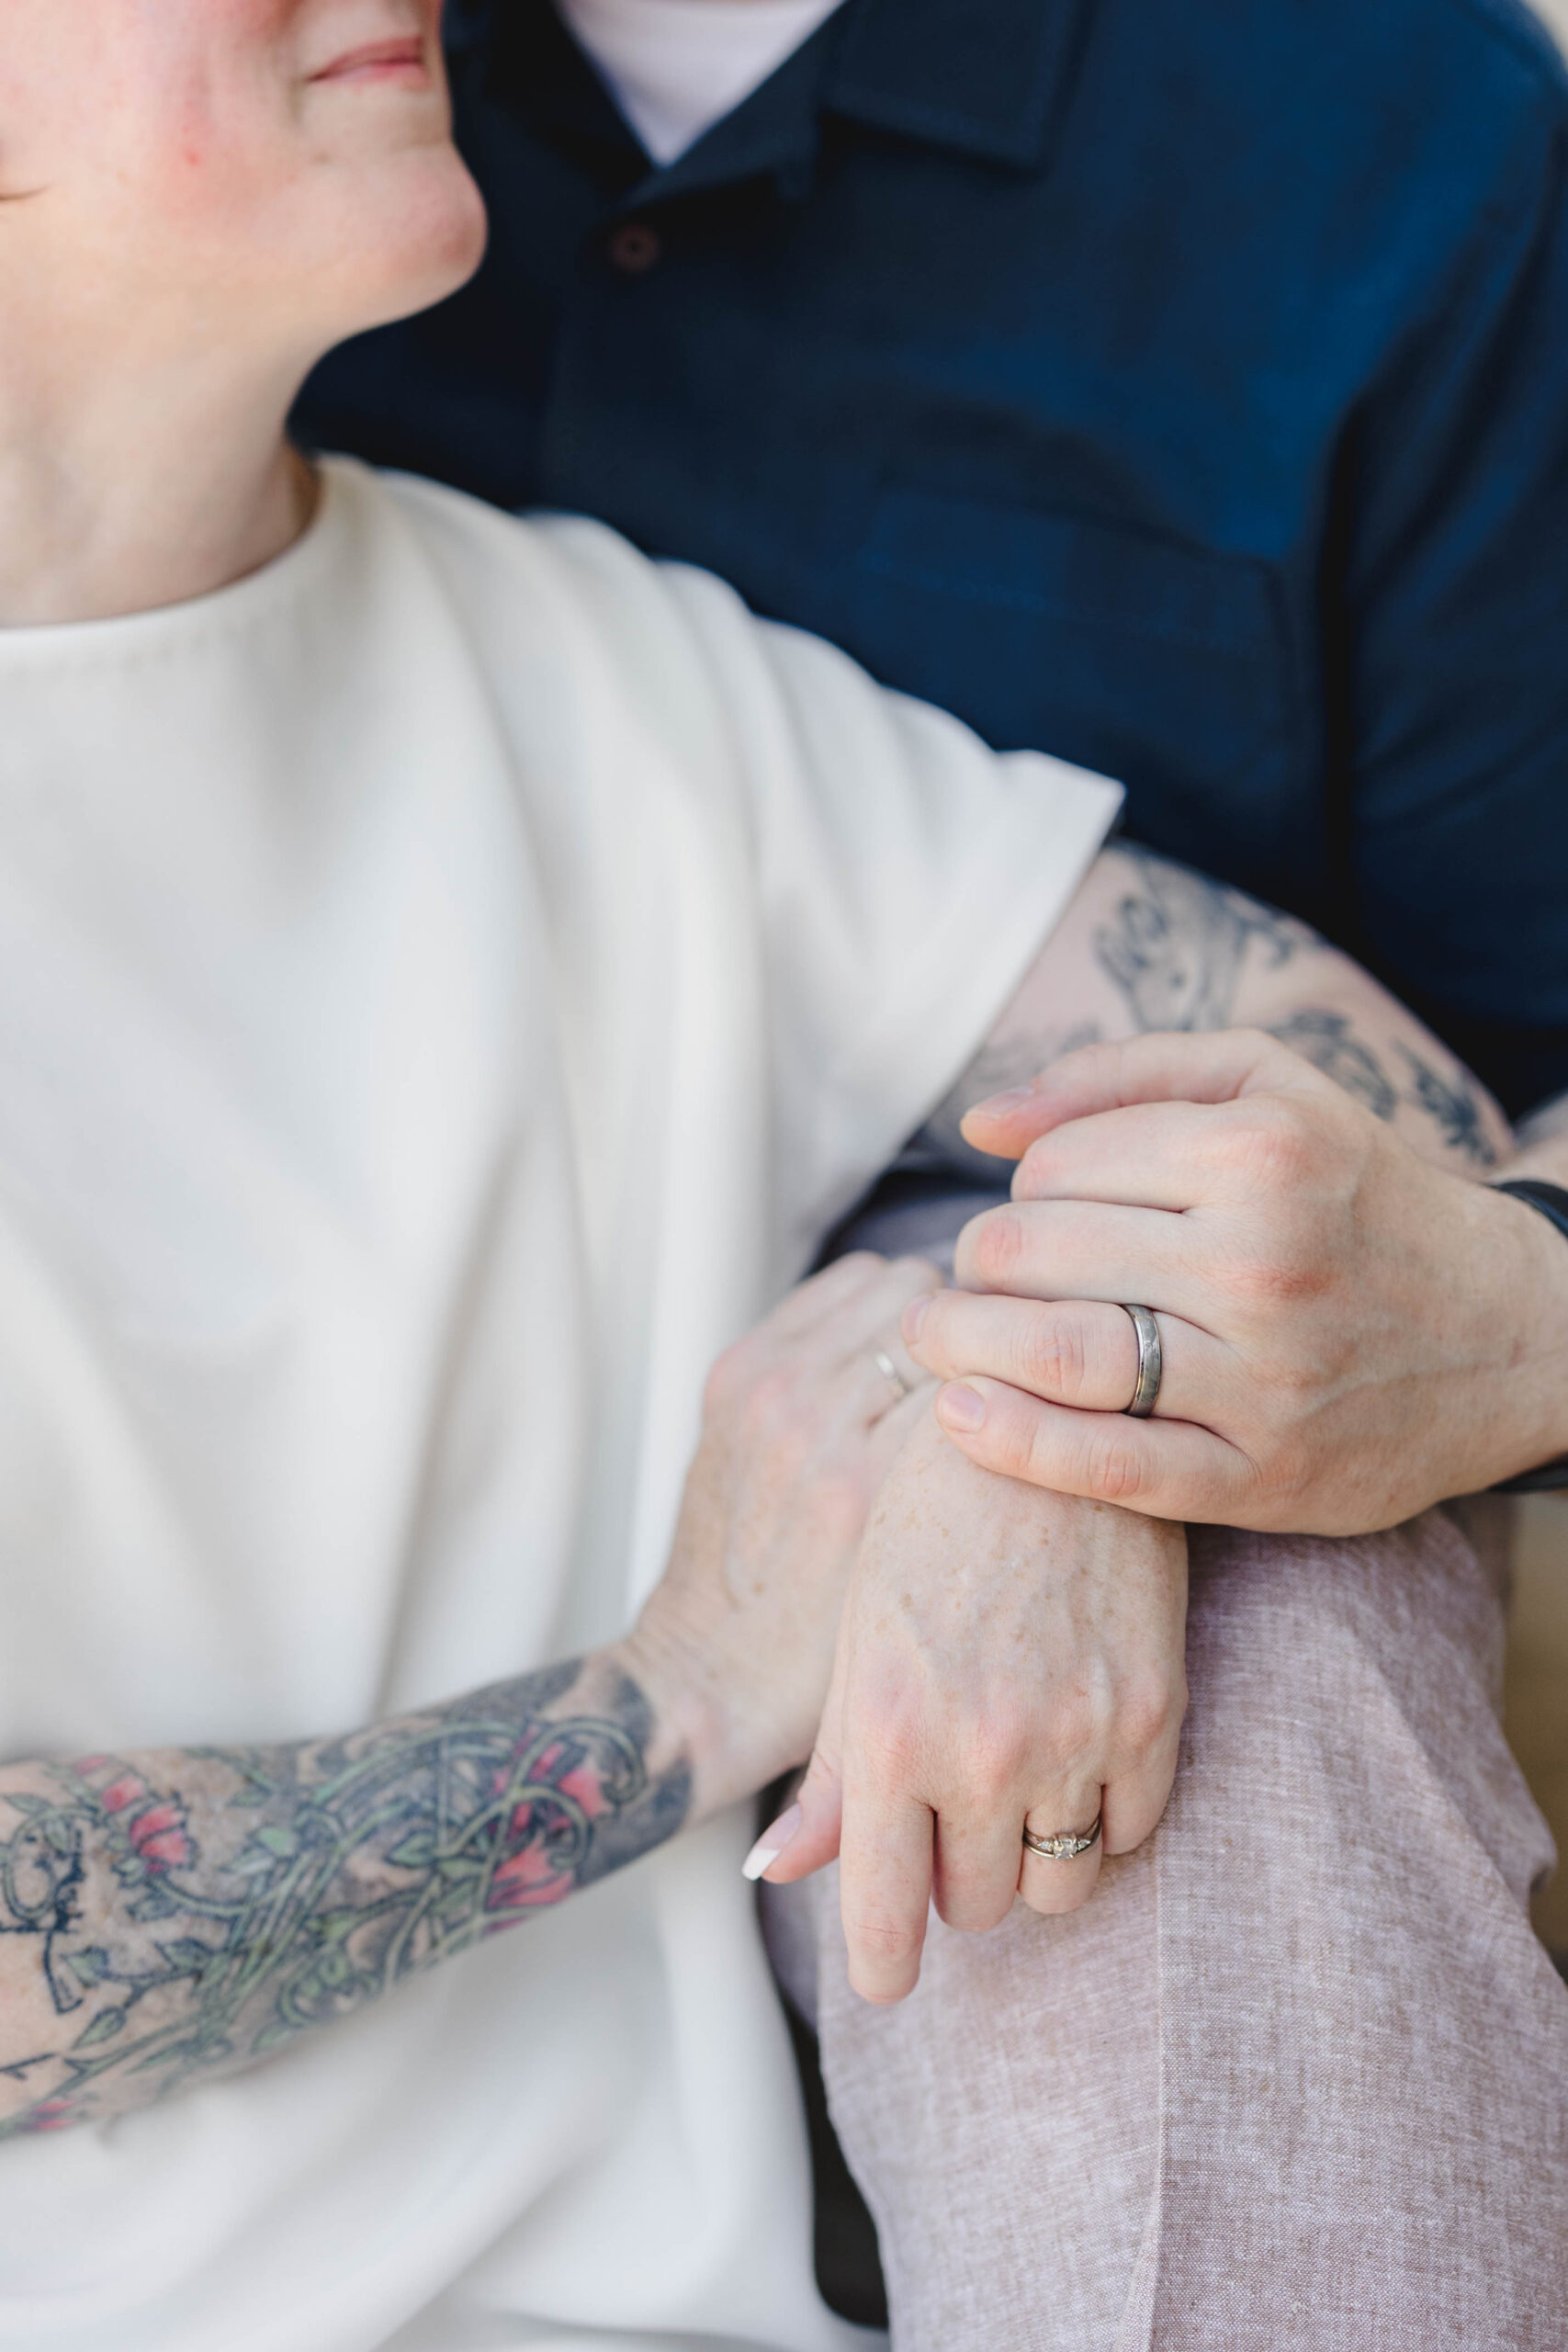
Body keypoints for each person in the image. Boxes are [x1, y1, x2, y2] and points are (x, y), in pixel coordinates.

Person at [11, 9, 1555, 2352]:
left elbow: (1378, 1176)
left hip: (695, 2308)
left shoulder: (613, 682)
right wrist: (672, 1684)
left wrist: (1034, 1403)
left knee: (1254, 1634)